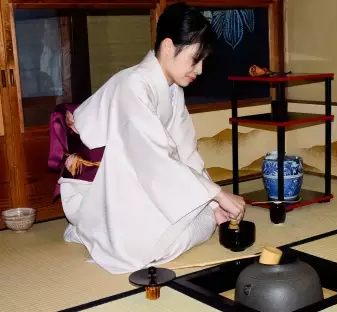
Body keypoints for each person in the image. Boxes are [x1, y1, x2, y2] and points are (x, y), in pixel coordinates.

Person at [53, 2, 246, 274]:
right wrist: (218, 195)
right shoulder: (133, 85)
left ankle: (204, 216)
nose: (200, 70)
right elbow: (155, 157)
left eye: (203, 61)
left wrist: (213, 201)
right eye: (195, 59)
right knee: (143, 251)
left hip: (132, 173)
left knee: (191, 217)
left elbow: (185, 151)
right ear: (168, 47)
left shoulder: (172, 90)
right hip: (96, 187)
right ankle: (88, 228)